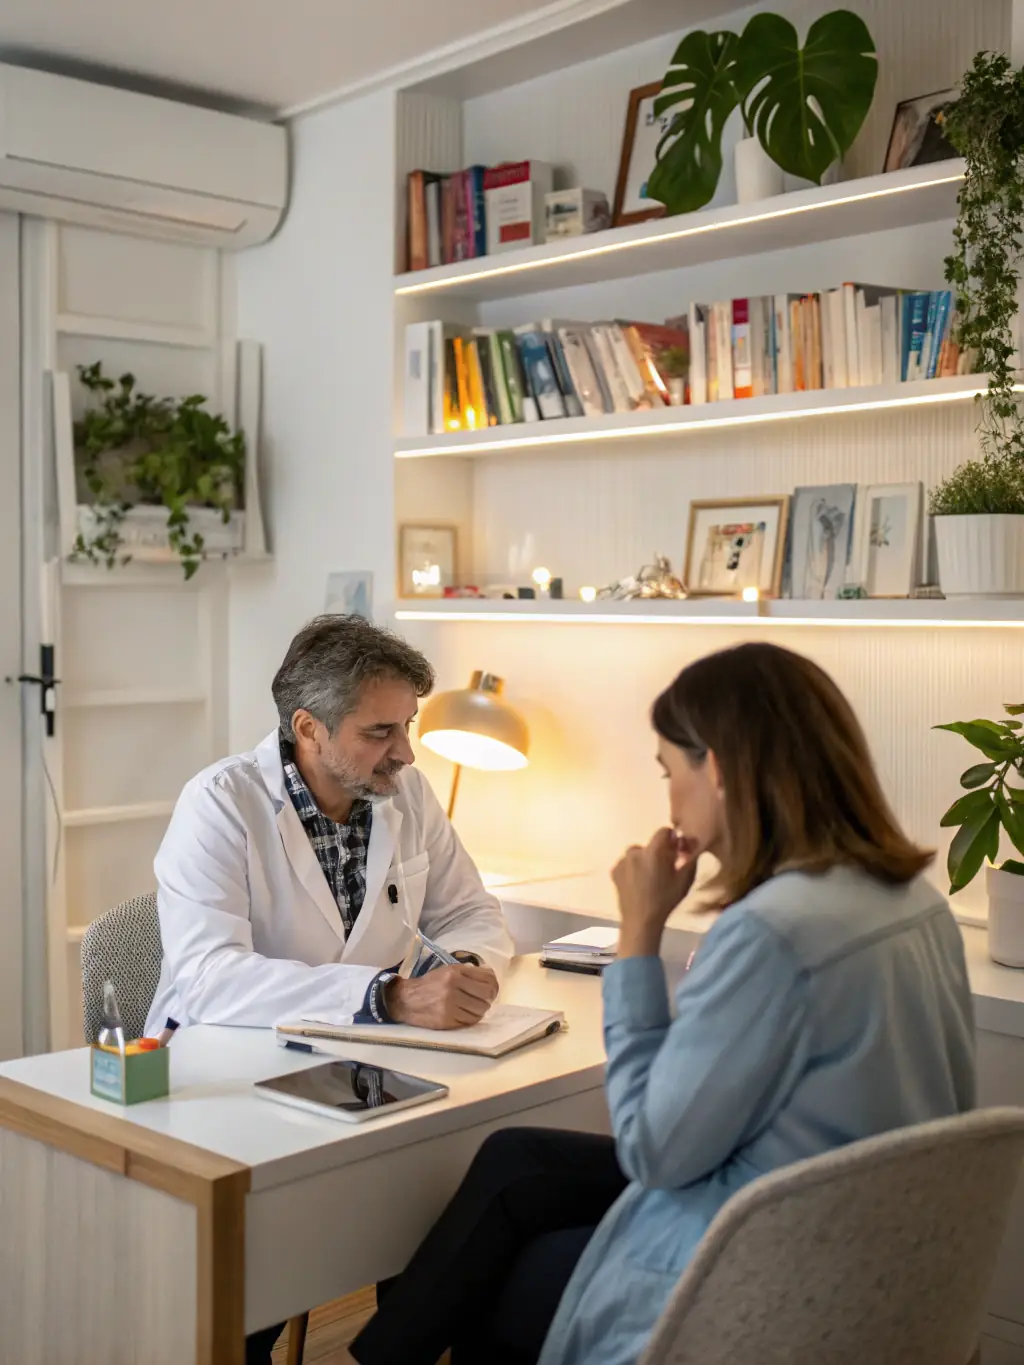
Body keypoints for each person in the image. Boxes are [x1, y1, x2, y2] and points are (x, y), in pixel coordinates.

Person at [344, 641, 975, 1365]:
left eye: (670, 772)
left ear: (722, 770)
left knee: (498, 1276)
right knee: (516, 1159)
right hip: (867, 1238)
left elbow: (654, 1151)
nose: (669, 797)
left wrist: (639, 935)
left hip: (762, 1265)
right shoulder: (913, 902)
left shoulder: (772, 933)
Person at [146, 614, 513, 1039]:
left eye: (407, 725)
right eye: (380, 732)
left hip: (363, 1053)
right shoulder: (219, 802)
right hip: (223, 1054)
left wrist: (461, 968)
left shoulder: (406, 791)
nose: (406, 754)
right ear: (309, 729)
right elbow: (210, 977)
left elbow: (469, 912)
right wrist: (387, 997)